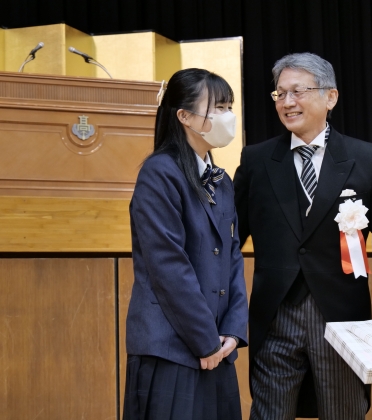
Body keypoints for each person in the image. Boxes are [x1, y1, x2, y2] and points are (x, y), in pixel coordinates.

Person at [233, 53, 372, 420]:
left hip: (342, 321)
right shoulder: (256, 160)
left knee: (343, 412)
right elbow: (229, 240)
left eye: (297, 91)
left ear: (330, 97)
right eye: (280, 94)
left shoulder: (368, 159)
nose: (287, 102)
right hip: (275, 318)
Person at [123, 68, 248, 420]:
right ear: (184, 116)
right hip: (171, 347)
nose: (228, 116)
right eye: (218, 107)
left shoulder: (221, 181)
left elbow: (233, 258)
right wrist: (205, 340)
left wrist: (232, 331)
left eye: (229, 107)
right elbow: (168, 267)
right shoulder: (159, 172)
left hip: (217, 349)